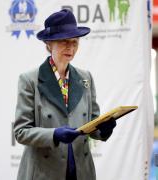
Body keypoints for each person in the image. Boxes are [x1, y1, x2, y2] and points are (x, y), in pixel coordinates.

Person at [14, 9, 117, 180]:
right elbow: (21, 131)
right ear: (48, 44)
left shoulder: (85, 78)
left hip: (81, 171)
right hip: (44, 172)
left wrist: (104, 129)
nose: (71, 47)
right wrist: (54, 134)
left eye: (75, 41)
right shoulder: (29, 80)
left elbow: (93, 124)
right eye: (64, 41)